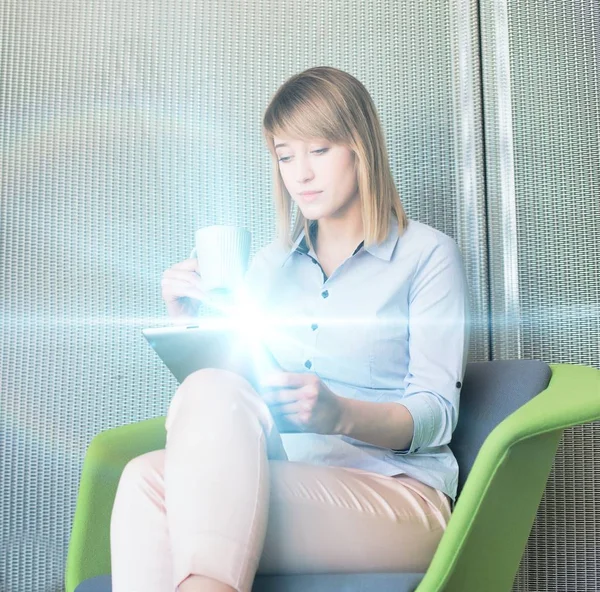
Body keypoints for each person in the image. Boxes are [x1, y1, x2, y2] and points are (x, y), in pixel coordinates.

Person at [110, 66, 470, 592]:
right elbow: (232, 402)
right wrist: (190, 328)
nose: (300, 173)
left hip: (398, 496)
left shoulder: (426, 255)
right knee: (145, 476)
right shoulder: (268, 267)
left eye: (319, 150)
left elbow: (438, 415)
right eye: (284, 156)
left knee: (180, 494)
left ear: (359, 148)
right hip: (293, 477)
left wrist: (340, 414)